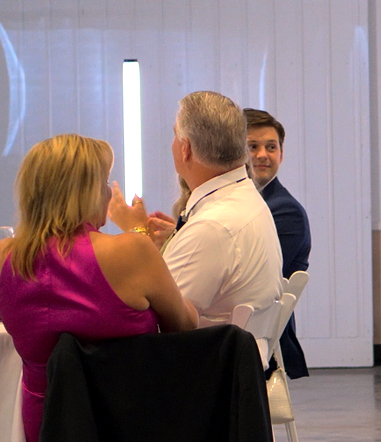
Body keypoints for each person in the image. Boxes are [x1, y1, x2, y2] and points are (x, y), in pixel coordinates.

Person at [0, 134, 197, 442]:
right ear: (85, 191)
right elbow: (184, 327)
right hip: (128, 427)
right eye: (103, 181)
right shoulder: (131, 250)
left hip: (46, 431)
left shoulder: (3, 255)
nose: (108, 192)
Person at [110, 92, 282, 327]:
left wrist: (137, 233)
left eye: (175, 135)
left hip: (197, 349)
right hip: (230, 346)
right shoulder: (246, 198)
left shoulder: (211, 228)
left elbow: (151, 317)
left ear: (186, 148)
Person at [245, 108, 311, 378]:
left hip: (261, 338)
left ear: (281, 154)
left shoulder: (285, 210)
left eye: (271, 147)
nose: (263, 155)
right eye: (253, 146)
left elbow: (254, 280)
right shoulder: (246, 201)